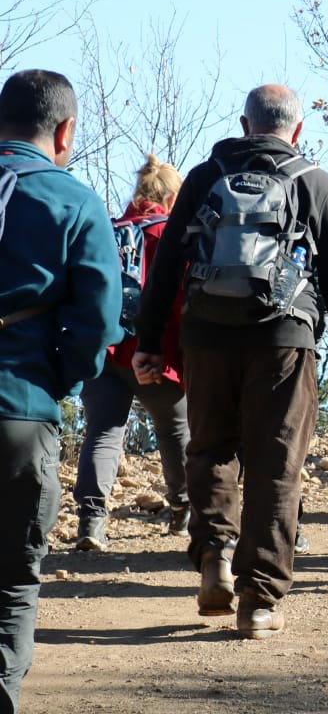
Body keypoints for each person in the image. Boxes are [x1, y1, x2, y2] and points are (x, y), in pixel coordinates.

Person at [134, 85, 328, 640]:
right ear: (298, 129)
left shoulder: (203, 175)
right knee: (276, 463)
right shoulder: (314, 181)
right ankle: (259, 599)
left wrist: (149, 341)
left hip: (206, 335)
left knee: (211, 446)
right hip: (284, 339)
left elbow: (167, 264)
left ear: (244, 124)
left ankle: (214, 558)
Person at [0, 70, 122, 710]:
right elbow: (100, 321)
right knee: (12, 584)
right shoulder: (72, 200)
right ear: (66, 131)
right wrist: (64, 378)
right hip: (17, 406)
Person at [74, 155, 191, 551]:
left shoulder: (107, 231)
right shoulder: (170, 235)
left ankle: (91, 521)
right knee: (175, 431)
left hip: (105, 352)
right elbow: (180, 300)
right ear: (173, 198)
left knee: (103, 430)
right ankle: (182, 511)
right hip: (155, 352)